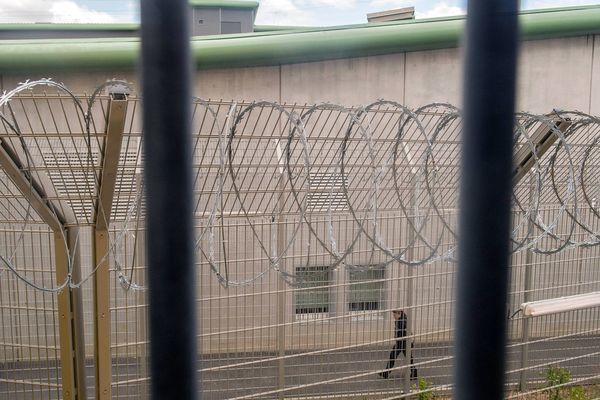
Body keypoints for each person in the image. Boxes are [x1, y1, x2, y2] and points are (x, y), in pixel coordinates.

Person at [379, 309, 417, 379]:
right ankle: (386, 373)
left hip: (404, 343)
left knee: (402, 357)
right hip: (402, 342)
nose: (393, 316)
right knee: (406, 358)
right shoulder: (400, 320)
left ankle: (386, 373)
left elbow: (404, 333)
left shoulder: (402, 322)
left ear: (399, 314)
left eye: (394, 314)